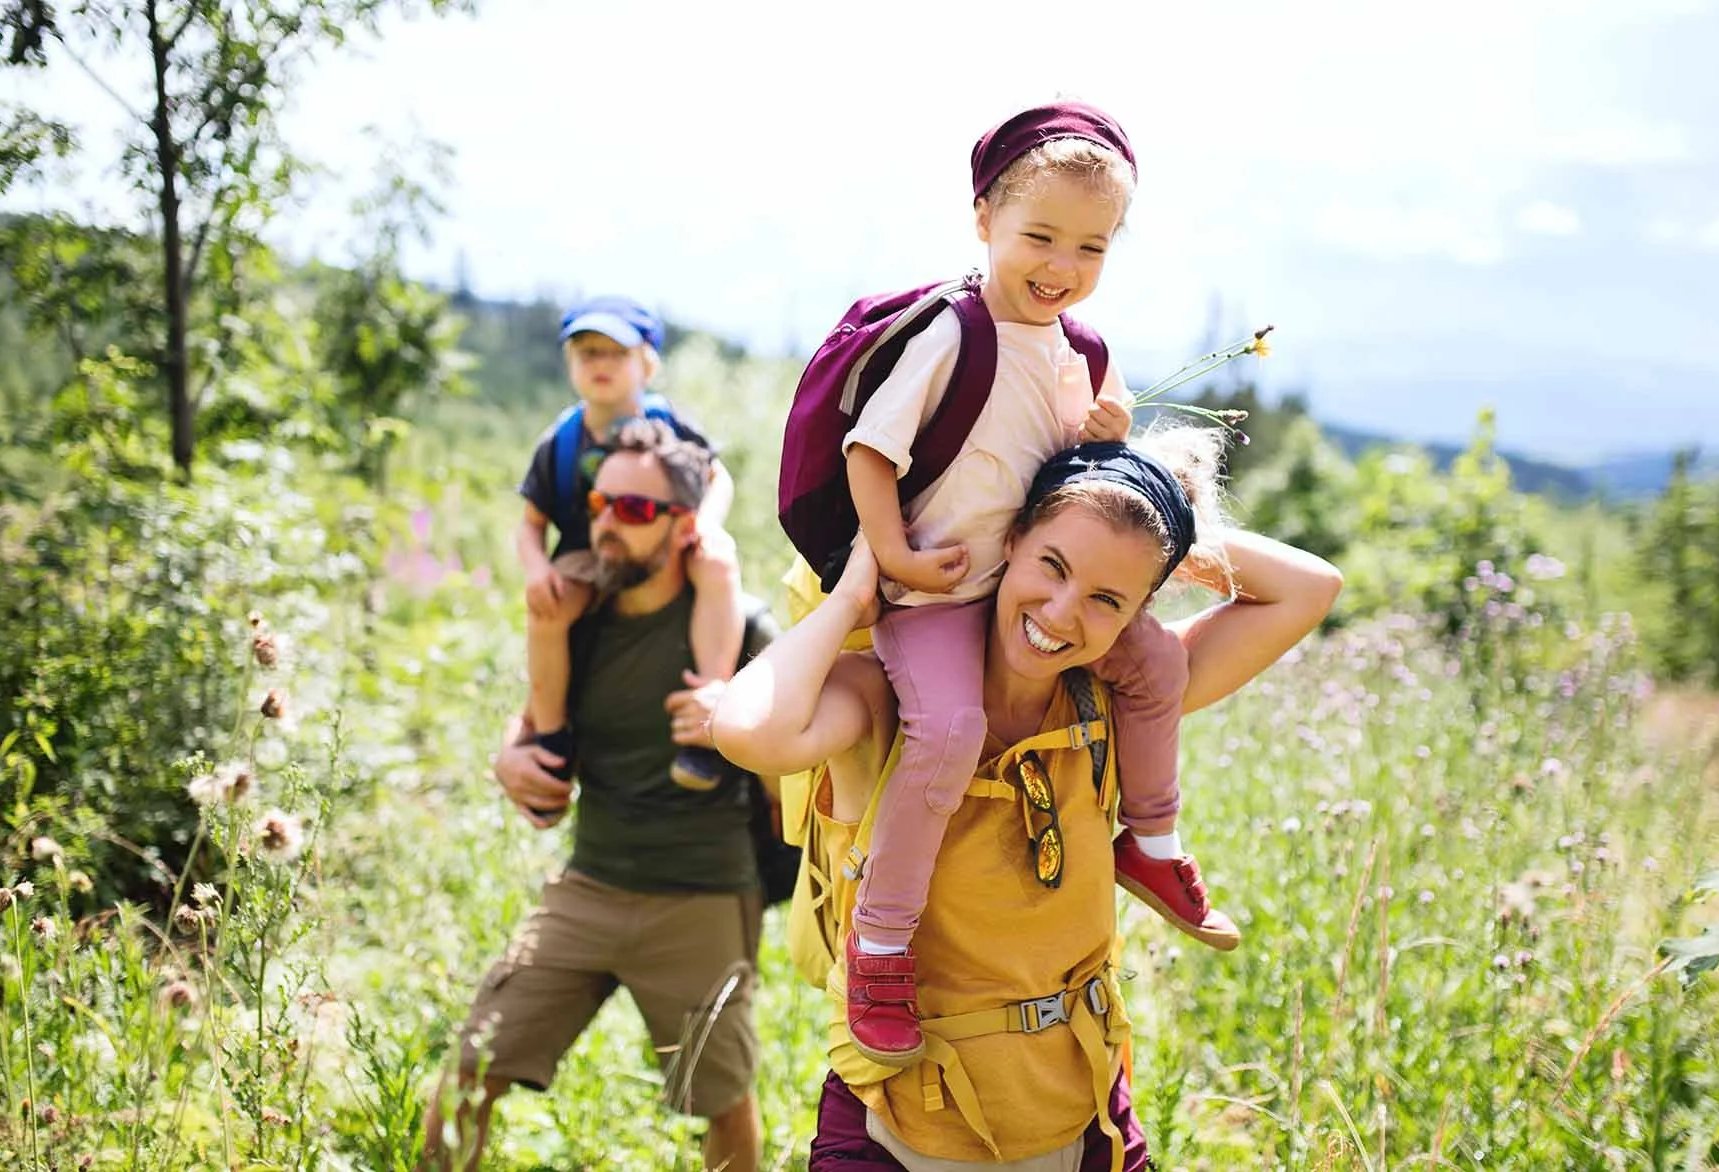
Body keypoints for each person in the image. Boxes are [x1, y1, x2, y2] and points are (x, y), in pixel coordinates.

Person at [713, 432, 1343, 1169]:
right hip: (897, 1125)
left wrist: (1150, 514)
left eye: (1107, 598)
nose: (1063, 612)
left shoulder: (1117, 703)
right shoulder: (886, 697)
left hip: (1084, 1121)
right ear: (1007, 540)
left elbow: (1311, 587)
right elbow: (748, 730)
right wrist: (855, 594)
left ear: (1137, 612)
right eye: (1053, 564)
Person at [825, 100, 1231, 1067]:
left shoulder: (1079, 347)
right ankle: (879, 945)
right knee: (949, 730)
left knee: (1156, 667)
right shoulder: (951, 336)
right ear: (983, 221)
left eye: (1090, 248)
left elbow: (1103, 438)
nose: (1061, 266)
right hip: (936, 593)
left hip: (1026, 591)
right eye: (1038, 237)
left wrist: (1108, 426)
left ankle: (1153, 841)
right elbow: (869, 451)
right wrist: (895, 559)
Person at [422, 420, 774, 1172]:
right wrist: (506, 763)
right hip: (589, 886)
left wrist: (737, 732)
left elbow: (798, 766)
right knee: (467, 1073)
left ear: (685, 527)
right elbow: (528, 734)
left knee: (724, 1101)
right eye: (600, 503)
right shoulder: (580, 621)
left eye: (636, 510)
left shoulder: (742, 629)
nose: (608, 523)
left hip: (702, 895)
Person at [516, 295, 745, 792]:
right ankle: (551, 737)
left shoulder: (671, 425)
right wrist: (537, 570)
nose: (601, 365)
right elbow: (531, 522)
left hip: (664, 544)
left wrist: (706, 523)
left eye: (615, 353)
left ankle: (706, 710)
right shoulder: (560, 440)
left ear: (647, 363)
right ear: (569, 363)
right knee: (547, 612)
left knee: (719, 563)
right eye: (587, 353)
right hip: (587, 553)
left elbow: (717, 476)